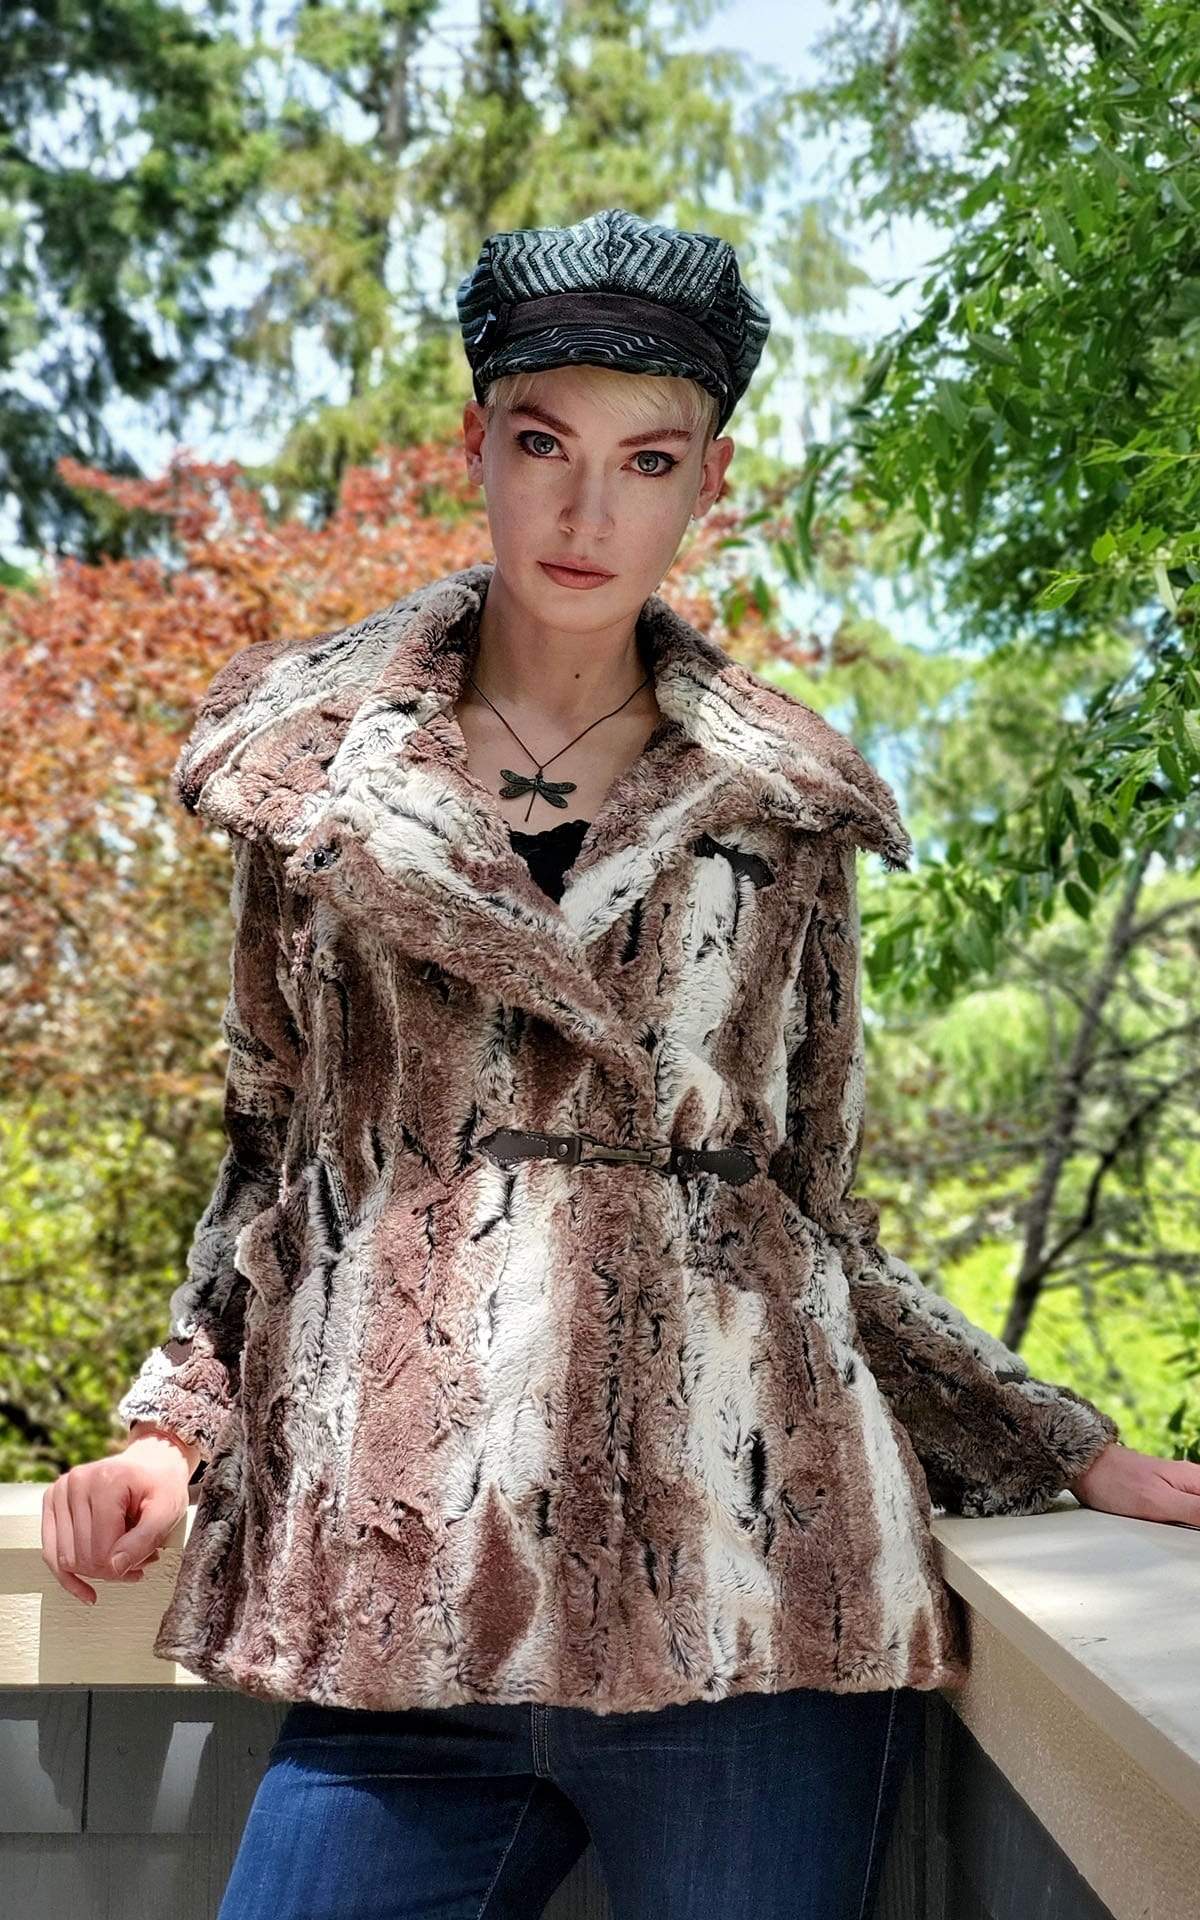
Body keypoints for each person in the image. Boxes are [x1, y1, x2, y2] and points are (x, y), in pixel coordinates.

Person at [41, 208, 1193, 1920]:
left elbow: (814, 1213)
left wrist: (1064, 1443)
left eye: (647, 461)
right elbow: (273, 1157)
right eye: (544, 448)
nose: (589, 512)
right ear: (475, 447)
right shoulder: (314, 786)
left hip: (750, 1592)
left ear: (706, 486)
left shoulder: (778, 813)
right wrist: (171, 1432)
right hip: (405, 1596)